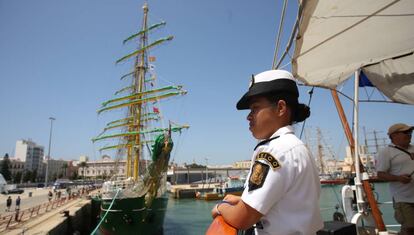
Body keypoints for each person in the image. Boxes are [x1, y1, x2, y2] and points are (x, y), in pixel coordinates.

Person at [211, 70, 323, 234]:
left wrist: (220, 207)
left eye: (255, 108)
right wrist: (243, 200)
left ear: (280, 108)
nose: (248, 117)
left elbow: (242, 218)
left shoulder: (274, 151)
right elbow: (285, 202)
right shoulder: (296, 147)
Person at [376, 123, 414, 235]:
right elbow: (380, 174)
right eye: (406, 132)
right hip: (403, 199)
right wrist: (399, 178)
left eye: (410, 132)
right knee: (410, 229)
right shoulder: (386, 152)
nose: (409, 135)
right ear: (394, 135)